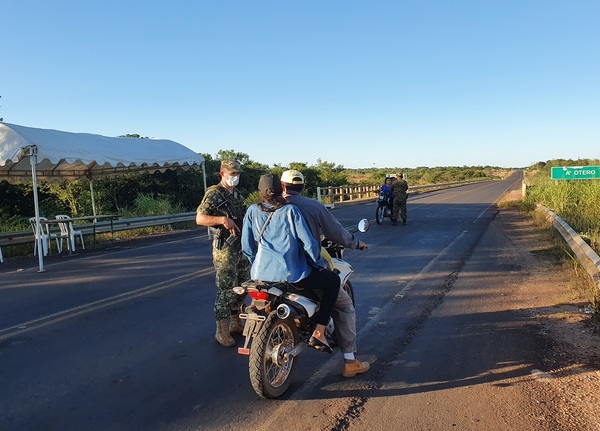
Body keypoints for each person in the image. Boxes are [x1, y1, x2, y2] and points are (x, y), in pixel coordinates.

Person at [281, 169, 370, 378]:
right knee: (344, 306)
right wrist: (356, 243)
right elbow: (335, 232)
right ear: (302, 188)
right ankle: (350, 360)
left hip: (269, 270)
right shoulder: (312, 206)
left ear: (282, 186)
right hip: (302, 270)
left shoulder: (268, 208)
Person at [241, 173, 340, 354]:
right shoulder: (290, 211)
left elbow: (247, 247)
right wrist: (319, 264)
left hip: (259, 274)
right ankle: (319, 332)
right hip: (291, 274)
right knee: (333, 281)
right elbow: (309, 244)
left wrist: (256, 265)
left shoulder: (252, 211)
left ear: (259, 192)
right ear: (282, 190)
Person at [196, 159, 250, 347]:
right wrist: (221, 220)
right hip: (225, 248)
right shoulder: (214, 193)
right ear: (222, 173)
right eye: (232, 173)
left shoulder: (238, 195)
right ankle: (222, 329)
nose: (235, 177)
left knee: (243, 285)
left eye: (237, 174)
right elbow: (200, 218)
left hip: (240, 247)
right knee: (226, 288)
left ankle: (236, 322)